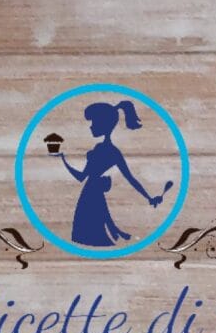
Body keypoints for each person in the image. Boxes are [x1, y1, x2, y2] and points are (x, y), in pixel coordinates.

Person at [53, 99, 171, 247]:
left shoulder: (112, 152)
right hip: (89, 194)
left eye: (93, 123)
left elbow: (130, 178)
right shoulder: (102, 149)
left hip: (91, 194)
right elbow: (82, 177)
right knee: (91, 234)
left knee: (91, 235)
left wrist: (148, 197)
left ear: (104, 125)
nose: (90, 127)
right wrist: (63, 159)